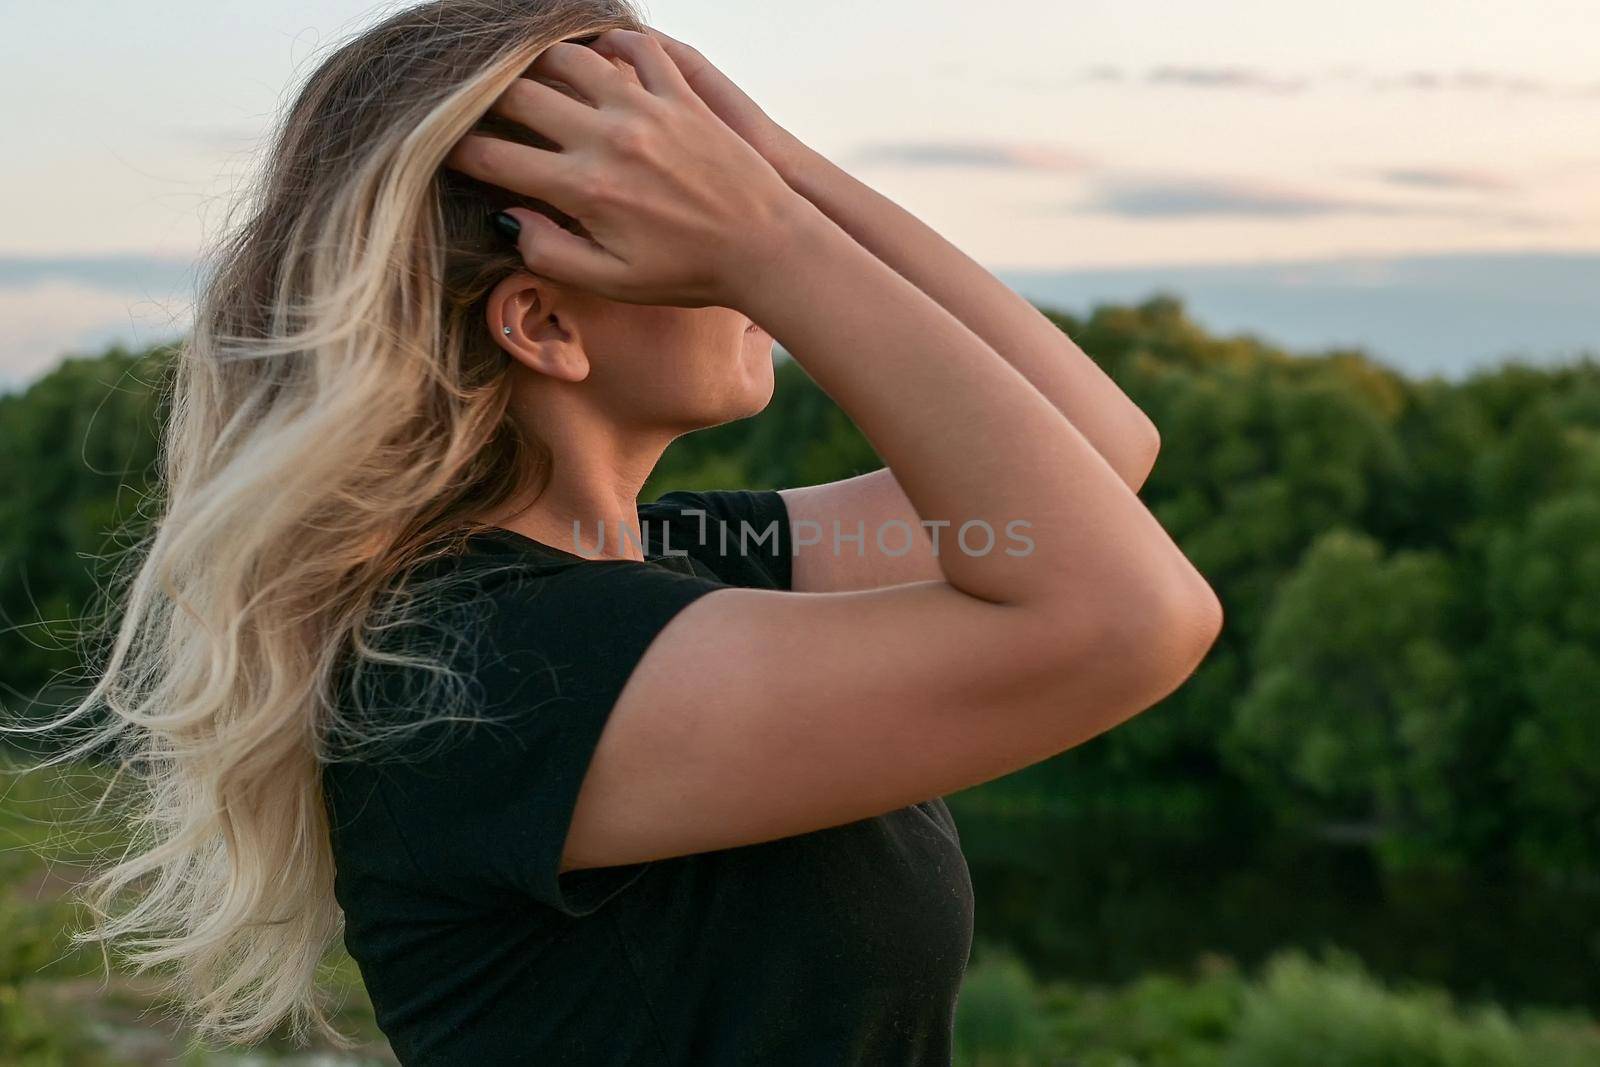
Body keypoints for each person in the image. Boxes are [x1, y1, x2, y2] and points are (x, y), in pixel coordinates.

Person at [26, 3, 1221, 1064]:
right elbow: (1127, 615)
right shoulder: (488, 666)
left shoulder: (661, 562)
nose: (741, 255)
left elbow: (1091, 450)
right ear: (542, 320)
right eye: (685, 214)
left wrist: (777, 176)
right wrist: (774, 244)